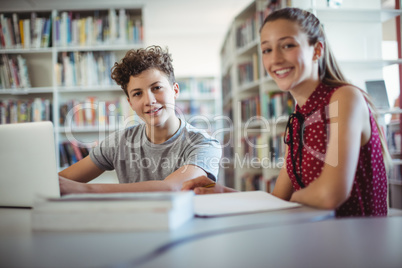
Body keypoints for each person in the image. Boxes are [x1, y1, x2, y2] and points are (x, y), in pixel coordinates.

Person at [182, 7, 392, 217]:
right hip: (321, 238)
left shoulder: (345, 97)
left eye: (288, 45)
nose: (275, 59)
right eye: (267, 50)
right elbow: (277, 200)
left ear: (317, 50)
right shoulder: (300, 116)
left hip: (360, 243)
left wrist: (297, 198)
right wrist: (223, 194)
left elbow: (330, 195)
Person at [59, 45, 222, 195]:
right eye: (137, 93)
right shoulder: (119, 142)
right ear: (130, 103)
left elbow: (172, 188)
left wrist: (85, 189)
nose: (149, 100)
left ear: (175, 90)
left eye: (156, 88)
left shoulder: (204, 144)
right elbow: (63, 180)